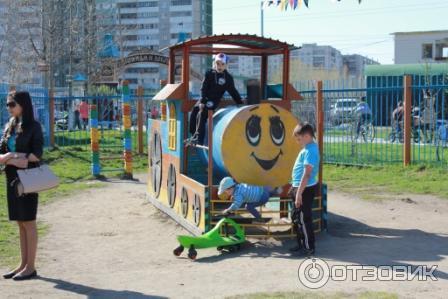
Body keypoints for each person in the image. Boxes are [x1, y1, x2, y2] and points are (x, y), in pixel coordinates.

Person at [1, 91, 44, 281]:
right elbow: (3, 151)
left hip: (28, 178)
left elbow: (37, 155)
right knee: (20, 222)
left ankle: (31, 267)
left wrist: (14, 157)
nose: (8, 107)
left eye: (11, 104)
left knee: (29, 221)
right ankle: (22, 264)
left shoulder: (34, 126)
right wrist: (6, 157)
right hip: (11, 178)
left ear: (23, 105)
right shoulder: (10, 125)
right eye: (7, 104)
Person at [187, 53, 243, 145]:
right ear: (214, 64)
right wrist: (202, 101)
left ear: (226, 65)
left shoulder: (228, 78)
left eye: (222, 64)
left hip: (213, 101)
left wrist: (240, 103)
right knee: (194, 111)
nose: (219, 66)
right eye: (218, 64)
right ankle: (193, 135)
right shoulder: (209, 74)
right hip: (204, 98)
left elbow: (233, 92)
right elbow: (203, 88)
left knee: (203, 114)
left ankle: (199, 140)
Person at [289, 123, 320, 256]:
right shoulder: (307, 148)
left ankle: (309, 247)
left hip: (304, 190)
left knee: (303, 218)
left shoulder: (310, 151)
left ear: (307, 136)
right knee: (296, 217)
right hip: (299, 188)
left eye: (299, 139)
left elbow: (307, 174)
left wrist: (298, 194)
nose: (298, 142)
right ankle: (301, 243)